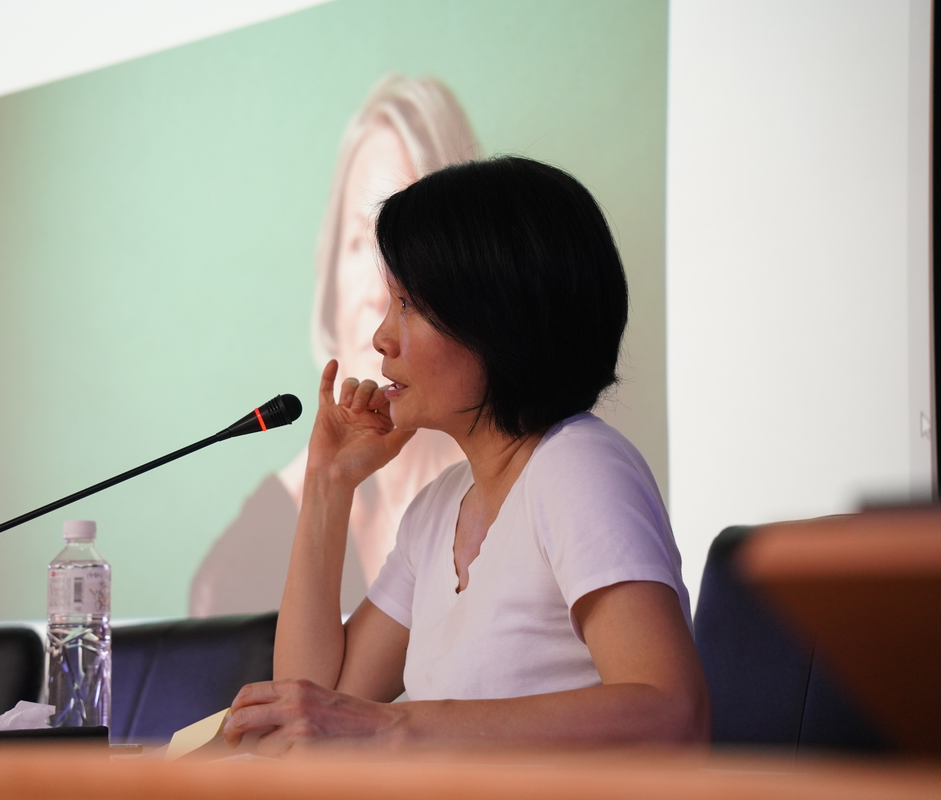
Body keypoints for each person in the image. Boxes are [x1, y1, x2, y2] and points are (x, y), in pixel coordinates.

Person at [222, 157, 710, 753]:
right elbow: (311, 706)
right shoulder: (437, 509)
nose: (382, 337)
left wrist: (394, 727)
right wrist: (329, 482)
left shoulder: (577, 465)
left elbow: (671, 713)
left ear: (498, 321)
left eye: (410, 304)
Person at [189, 75, 477, 616]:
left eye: (402, 245)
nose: (376, 290)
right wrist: (325, 478)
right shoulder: (272, 527)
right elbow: (319, 689)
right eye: (356, 241)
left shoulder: (520, 484)